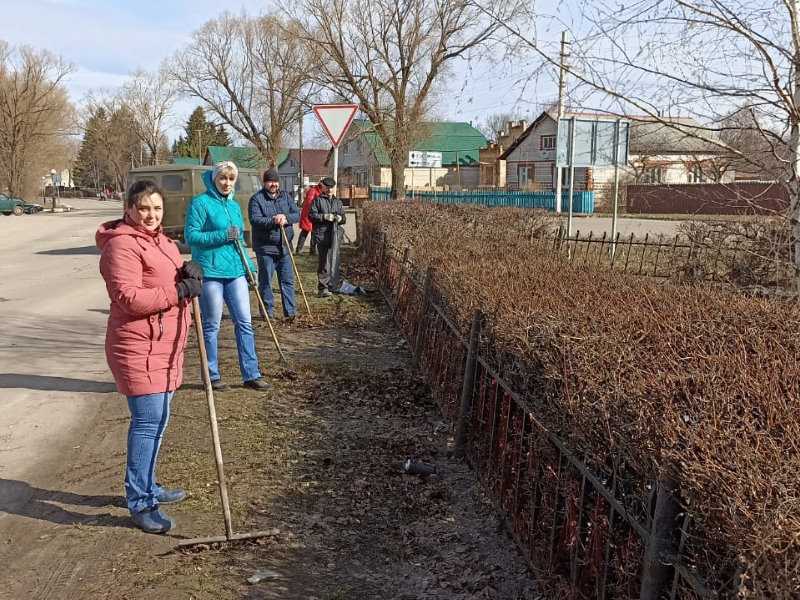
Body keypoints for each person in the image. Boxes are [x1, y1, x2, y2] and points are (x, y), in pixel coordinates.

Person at [96, 180, 204, 534]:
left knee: (159, 420)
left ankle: (148, 482)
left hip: (163, 345)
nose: (151, 215)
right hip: (137, 347)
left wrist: (188, 270)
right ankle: (140, 500)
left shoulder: (161, 241)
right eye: (144, 208)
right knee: (147, 423)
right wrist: (177, 291)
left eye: (156, 208)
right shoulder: (121, 246)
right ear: (128, 209)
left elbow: (167, 274)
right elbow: (128, 297)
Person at [184, 161, 270, 392]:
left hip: (235, 272)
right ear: (214, 178)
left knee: (245, 322)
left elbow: (239, 239)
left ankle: (251, 374)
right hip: (210, 272)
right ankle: (211, 376)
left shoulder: (232, 206)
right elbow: (191, 236)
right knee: (212, 325)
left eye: (231, 179)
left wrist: (249, 265)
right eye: (223, 178)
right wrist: (222, 234)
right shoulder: (200, 203)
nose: (227, 183)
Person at [248, 168, 300, 321]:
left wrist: (286, 218)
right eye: (270, 181)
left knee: (288, 281)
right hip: (265, 248)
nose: (274, 184)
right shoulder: (256, 199)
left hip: (284, 246)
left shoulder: (286, 197)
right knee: (266, 282)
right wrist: (273, 220)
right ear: (264, 183)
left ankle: (290, 313)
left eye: (276, 181)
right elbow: (255, 219)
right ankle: (267, 313)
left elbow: (296, 214)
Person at [309, 178, 346, 297]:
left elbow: (343, 217)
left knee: (334, 260)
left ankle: (332, 284)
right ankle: (322, 288)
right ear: (323, 187)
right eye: (328, 187)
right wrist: (324, 216)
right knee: (324, 262)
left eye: (332, 187)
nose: (330, 190)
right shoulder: (317, 201)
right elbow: (311, 216)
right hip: (322, 235)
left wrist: (340, 218)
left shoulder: (338, 202)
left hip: (335, 236)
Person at [296, 177, 335, 255]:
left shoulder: (319, 192)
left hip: (313, 215)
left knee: (314, 233)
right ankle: (299, 249)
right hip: (308, 215)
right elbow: (309, 204)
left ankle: (312, 250)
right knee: (305, 232)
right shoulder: (313, 191)